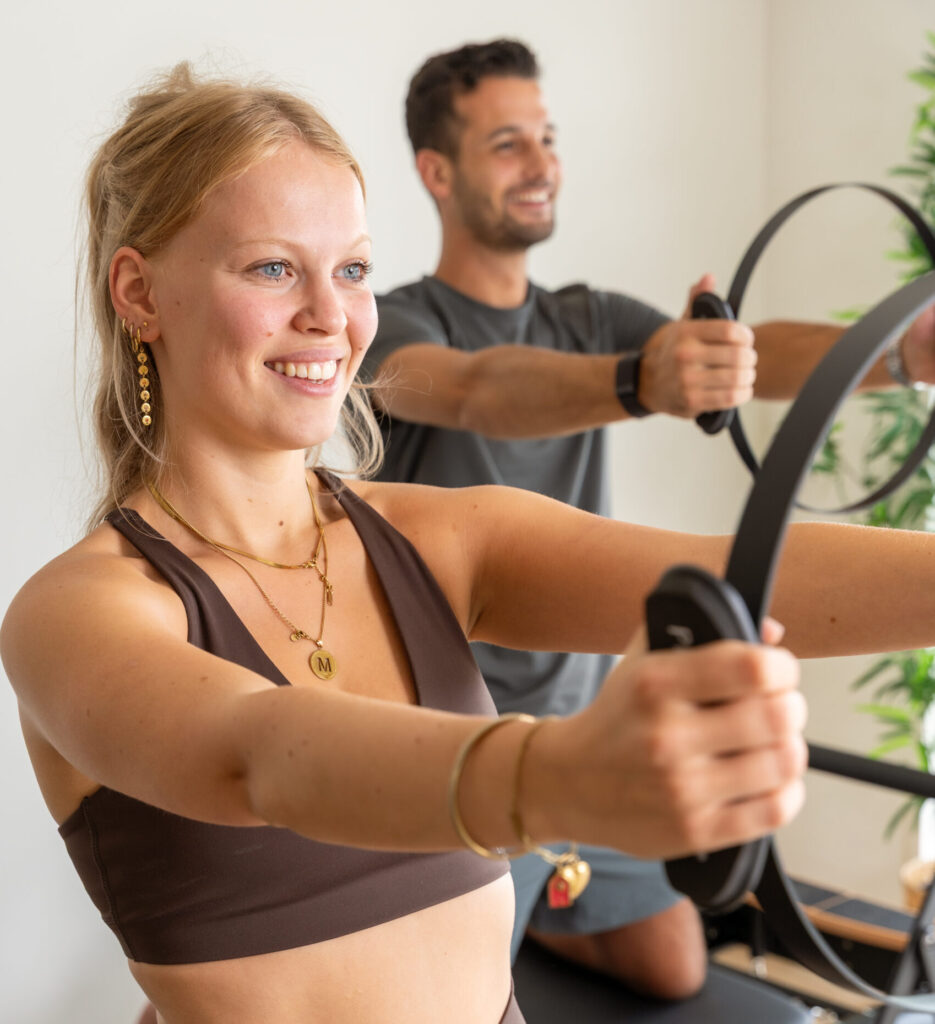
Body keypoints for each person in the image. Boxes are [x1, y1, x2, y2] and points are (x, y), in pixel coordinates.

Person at [4, 63, 935, 1024]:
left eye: (353, 269)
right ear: (141, 293)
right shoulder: (76, 613)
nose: (332, 315)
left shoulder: (435, 536)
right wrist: (559, 775)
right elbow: (262, 754)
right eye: (272, 267)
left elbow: (730, 573)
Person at [363, 37, 935, 999]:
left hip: (588, 740)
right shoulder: (394, 326)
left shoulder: (588, 316)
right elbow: (474, 392)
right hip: (453, 752)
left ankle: (539, 889)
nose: (541, 163)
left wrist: (901, 354)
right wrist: (638, 380)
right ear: (436, 170)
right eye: (507, 144)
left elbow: (741, 354)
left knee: (672, 967)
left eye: (547, 138)